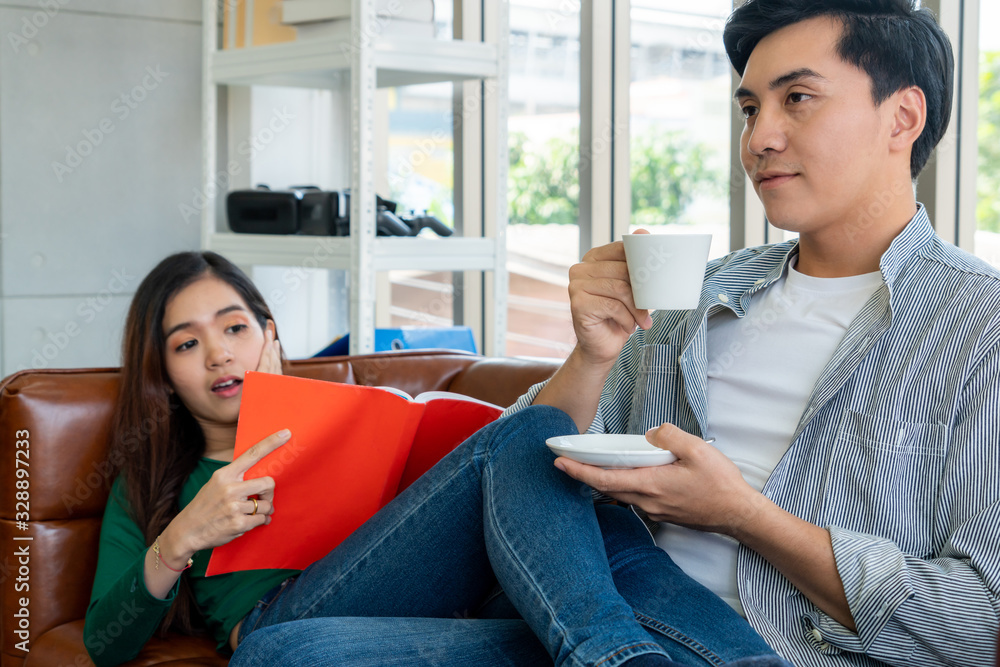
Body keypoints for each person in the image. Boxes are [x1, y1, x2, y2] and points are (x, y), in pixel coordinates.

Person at [502, 0, 999, 665]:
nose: (759, 137)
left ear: (902, 118)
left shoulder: (979, 327)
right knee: (314, 645)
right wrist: (591, 356)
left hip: (775, 651)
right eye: (748, 109)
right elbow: (515, 485)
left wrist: (743, 514)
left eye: (797, 98)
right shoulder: (691, 298)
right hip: (600, 624)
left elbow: (978, 624)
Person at [84, 250, 791, 666]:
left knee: (565, 480)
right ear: (163, 371)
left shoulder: (339, 425)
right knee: (280, 657)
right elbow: (104, 644)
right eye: (186, 343)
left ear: (268, 334)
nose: (217, 352)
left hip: (447, 611)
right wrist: (181, 538)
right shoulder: (159, 479)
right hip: (285, 627)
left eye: (234, 327)